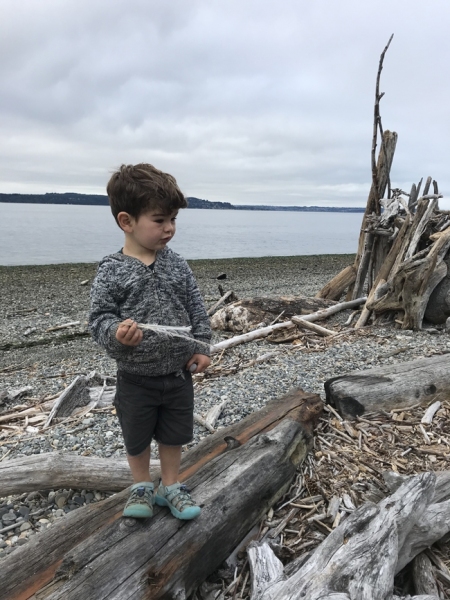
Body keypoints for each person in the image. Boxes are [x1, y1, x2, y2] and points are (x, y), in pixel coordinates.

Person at [89, 163, 211, 520]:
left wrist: (202, 347)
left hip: (177, 374)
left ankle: (171, 486)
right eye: (159, 220)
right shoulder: (111, 270)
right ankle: (141, 486)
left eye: (173, 219)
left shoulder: (177, 265)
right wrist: (117, 336)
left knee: (174, 434)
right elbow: (98, 319)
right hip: (135, 377)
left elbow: (196, 309)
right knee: (137, 435)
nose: (169, 228)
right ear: (126, 222)